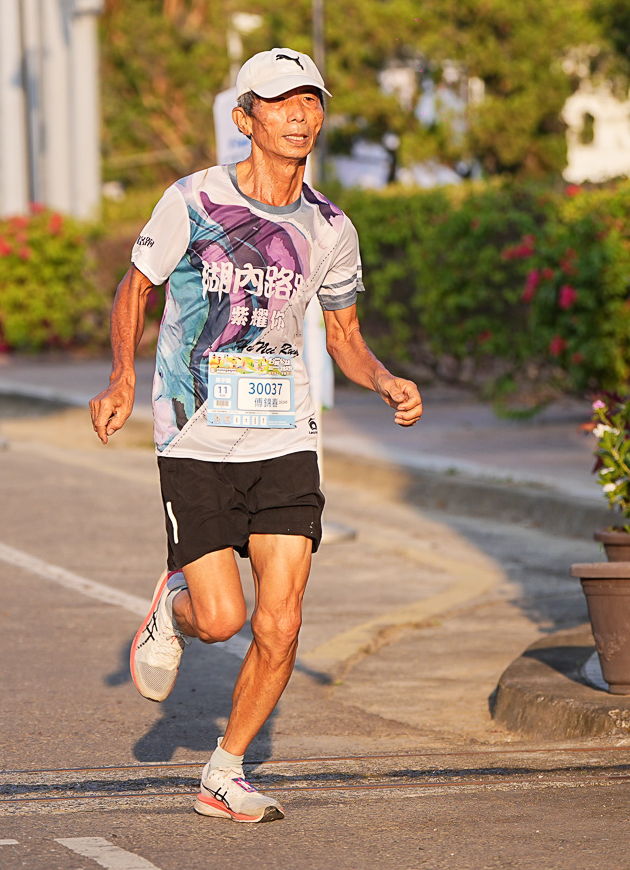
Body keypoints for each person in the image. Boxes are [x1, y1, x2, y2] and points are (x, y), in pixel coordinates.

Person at [89, 48, 423, 823]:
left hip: (284, 436)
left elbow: (344, 336)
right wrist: (122, 378)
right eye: (281, 102)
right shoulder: (193, 199)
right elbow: (135, 288)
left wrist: (383, 379)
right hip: (196, 435)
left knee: (283, 619)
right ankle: (174, 607)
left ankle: (224, 771)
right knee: (223, 620)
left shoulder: (330, 227)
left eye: (311, 101)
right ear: (246, 118)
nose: (300, 115)